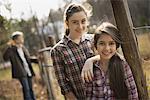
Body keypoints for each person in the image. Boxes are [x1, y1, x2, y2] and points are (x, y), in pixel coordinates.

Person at [50, 3, 95, 99]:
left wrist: (90, 60)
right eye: (75, 22)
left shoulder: (93, 40)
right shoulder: (58, 50)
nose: (80, 26)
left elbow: (108, 57)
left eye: (83, 21)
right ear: (67, 23)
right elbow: (64, 85)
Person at [84, 22, 139, 99]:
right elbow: (88, 96)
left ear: (116, 45)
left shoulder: (122, 65)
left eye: (111, 43)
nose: (107, 48)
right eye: (102, 43)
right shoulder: (91, 68)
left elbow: (133, 94)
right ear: (96, 46)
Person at [3, 31, 36, 100]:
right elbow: (5, 57)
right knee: (26, 89)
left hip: (28, 70)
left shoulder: (23, 48)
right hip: (20, 72)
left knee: (31, 89)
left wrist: (37, 60)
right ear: (16, 40)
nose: (22, 39)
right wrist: (10, 47)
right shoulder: (12, 49)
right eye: (21, 38)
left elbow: (28, 59)